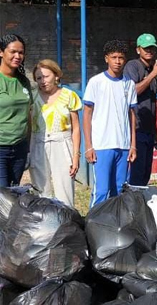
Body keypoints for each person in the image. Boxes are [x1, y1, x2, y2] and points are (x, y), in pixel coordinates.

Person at [83, 40, 137, 207]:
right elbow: (87, 114)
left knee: (119, 190)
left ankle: (113, 227)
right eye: (114, 57)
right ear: (106, 58)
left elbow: (131, 115)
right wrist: (89, 146)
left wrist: (133, 145)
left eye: (121, 57)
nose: (117, 61)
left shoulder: (129, 83)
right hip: (102, 145)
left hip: (123, 146)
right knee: (101, 191)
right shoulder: (96, 82)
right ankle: (92, 225)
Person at [29, 60, 82, 207]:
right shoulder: (32, 97)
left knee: (64, 191)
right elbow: (28, 126)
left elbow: (76, 128)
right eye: (39, 78)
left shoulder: (69, 95)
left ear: (56, 76)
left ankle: (67, 225)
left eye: (46, 76)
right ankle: (45, 225)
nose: (42, 81)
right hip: (38, 144)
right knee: (41, 191)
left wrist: (76, 156)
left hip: (62, 144)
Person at [124, 33, 157, 186]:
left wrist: (155, 133)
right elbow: (133, 91)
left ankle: (139, 205)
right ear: (138, 50)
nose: (149, 51)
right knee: (136, 174)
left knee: (146, 173)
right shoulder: (133, 66)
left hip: (148, 130)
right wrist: (154, 73)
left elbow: (151, 104)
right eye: (145, 48)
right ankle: (132, 207)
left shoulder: (150, 69)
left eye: (152, 48)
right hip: (136, 129)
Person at [0, 33, 32, 188]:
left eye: (21, 52)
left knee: (13, 192)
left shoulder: (24, 81)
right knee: (2, 196)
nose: (17, 56)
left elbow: (29, 115)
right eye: (13, 51)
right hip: (1, 148)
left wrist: (28, 147)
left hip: (20, 148)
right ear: (1, 52)